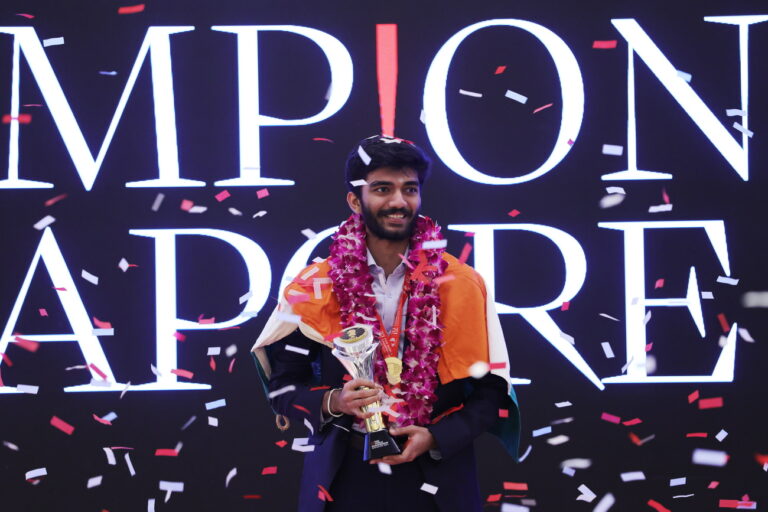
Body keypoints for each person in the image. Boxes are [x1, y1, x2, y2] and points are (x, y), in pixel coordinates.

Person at [251, 135, 520, 512]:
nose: (398, 201)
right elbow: (282, 389)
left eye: (409, 189)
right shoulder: (314, 287)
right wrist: (335, 401)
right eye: (382, 189)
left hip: (439, 483)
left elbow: (491, 394)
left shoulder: (461, 283)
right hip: (342, 480)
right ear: (354, 200)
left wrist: (435, 437)